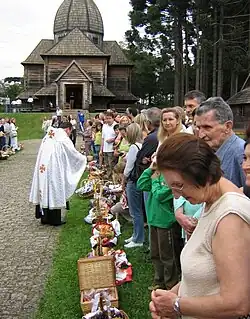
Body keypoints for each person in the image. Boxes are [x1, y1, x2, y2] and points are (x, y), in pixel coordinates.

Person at [150, 133, 250, 319]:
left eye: (179, 185)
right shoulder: (210, 201)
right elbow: (204, 275)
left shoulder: (230, 217)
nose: (177, 195)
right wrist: (172, 295)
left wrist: (177, 305)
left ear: (201, 173)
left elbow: (237, 304)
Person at [29, 122, 87, 226]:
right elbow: (72, 154)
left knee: (45, 190)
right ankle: (54, 220)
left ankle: (44, 218)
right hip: (54, 170)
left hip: (43, 168)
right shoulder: (63, 138)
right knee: (54, 190)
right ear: (68, 129)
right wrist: (84, 159)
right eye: (70, 132)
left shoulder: (48, 136)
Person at [137, 162, 180, 291]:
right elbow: (141, 184)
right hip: (153, 220)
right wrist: (150, 170)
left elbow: (160, 196)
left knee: (167, 255)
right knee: (155, 253)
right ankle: (159, 281)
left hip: (165, 222)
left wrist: (155, 181)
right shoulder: (155, 174)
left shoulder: (170, 177)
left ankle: (171, 285)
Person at [196, 97, 245, 187]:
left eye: (207, 127)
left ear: (227, 127)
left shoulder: (242, 153)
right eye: (198, 128)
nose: (200, 135)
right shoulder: (207, 150)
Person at [123, 123, 144, 248]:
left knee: (135, 211)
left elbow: (128, 168)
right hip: (139, 181)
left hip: (133, 181)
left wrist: (123, 181)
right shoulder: (141, 145)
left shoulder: (133, 147)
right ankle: (136, 234)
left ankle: (138, 239)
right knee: (137, 210)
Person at [100, 111, 116, 180]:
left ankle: (113, 177)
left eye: (109, 118)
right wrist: (101, 149)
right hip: (105, 148)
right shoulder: (104, 126)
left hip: (112, 148)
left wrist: (113, 139)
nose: (108, 120)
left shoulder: (116, 125)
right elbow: (103, 138)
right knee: (106, 164)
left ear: (113, 118)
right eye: (106, 118)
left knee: (111, 164)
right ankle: (108, 177)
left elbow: (120, 136)